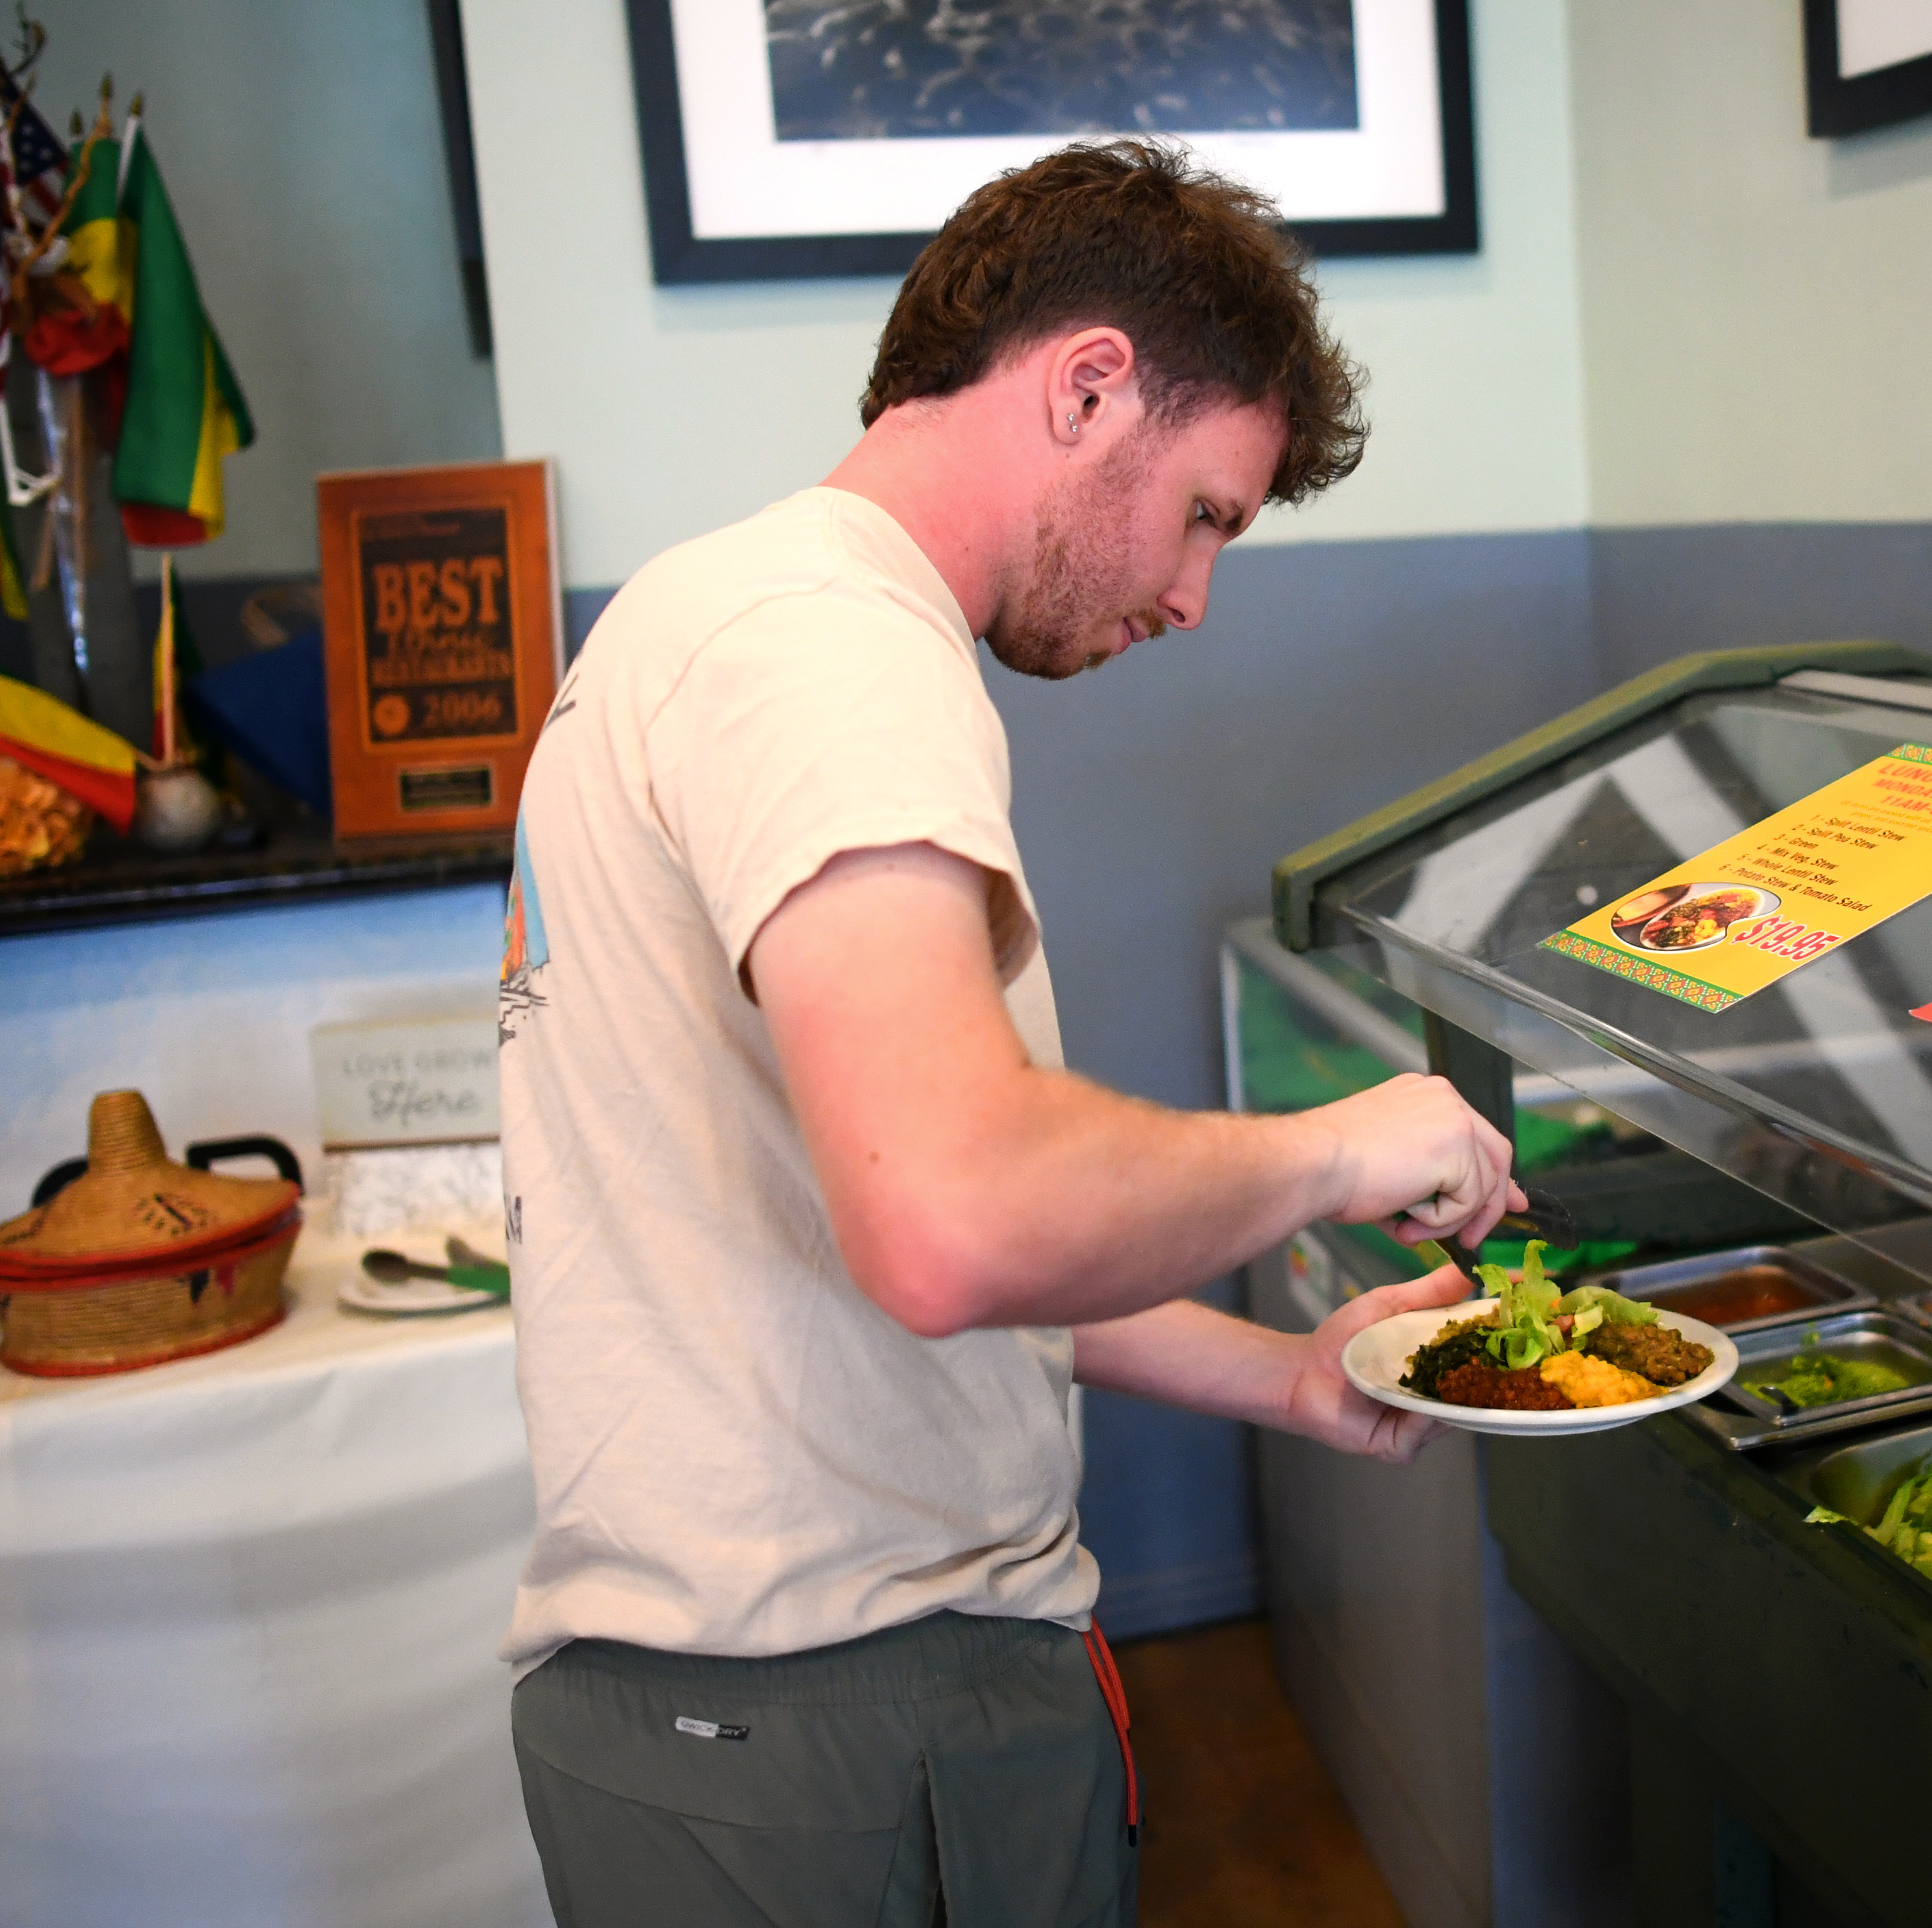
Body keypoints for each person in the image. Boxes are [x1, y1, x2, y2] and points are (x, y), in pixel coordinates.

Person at [495, 139, 1517, 1928]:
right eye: (1205, 512)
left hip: (738, 1713)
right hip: (836, 1710)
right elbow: (954, 1214)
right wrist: (1343, 1147)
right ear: (1090, 383)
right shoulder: (829, 650)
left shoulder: (711, 614)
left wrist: (1278, 1374)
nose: (1194, 597)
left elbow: (890, 1218)